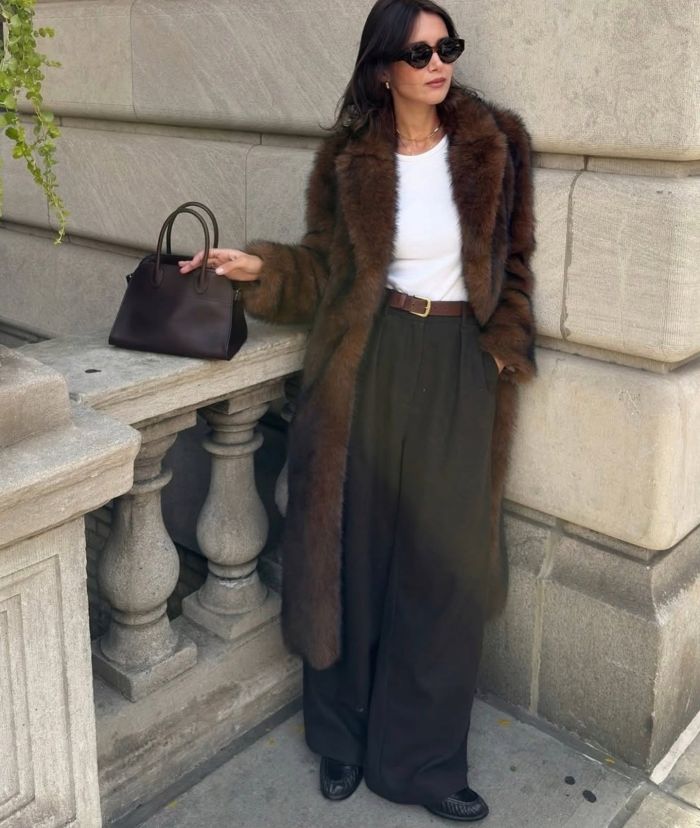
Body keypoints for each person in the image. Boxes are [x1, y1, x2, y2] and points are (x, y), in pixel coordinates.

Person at [179, 0, 536, 820]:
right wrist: (260, 269)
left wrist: (501, 346)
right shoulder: (350, 158)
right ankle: (341, 738)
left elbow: (514, 261)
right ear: (383, 69)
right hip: (371, 358)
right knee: (352, 552)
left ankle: (425, 764)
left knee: (443, 568)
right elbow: (323, 269)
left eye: (447, 47)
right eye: (419, 53)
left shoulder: (495, 144)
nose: (439, 64)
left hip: (459, 362)